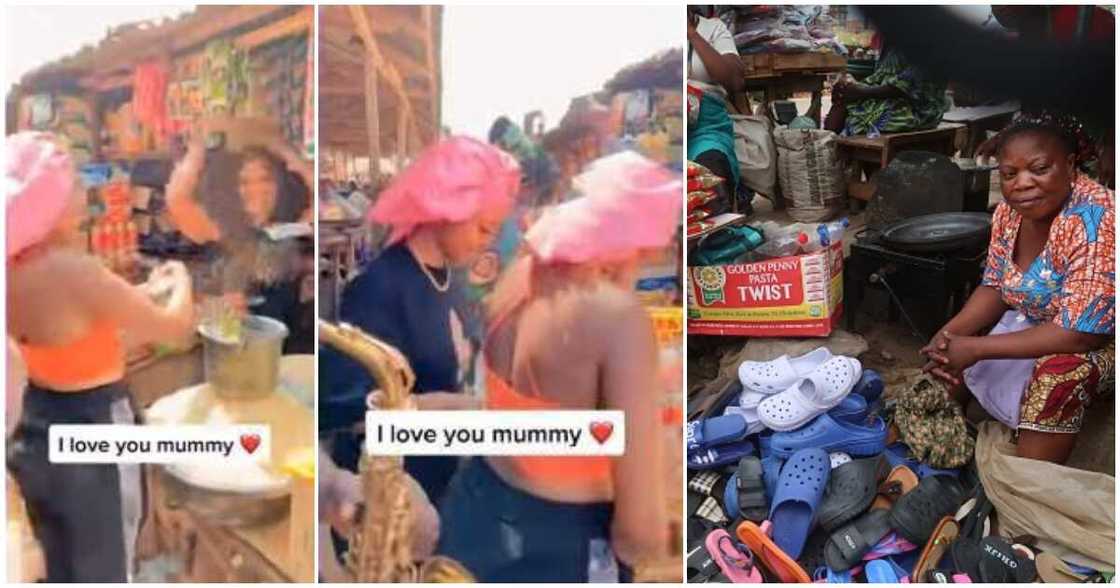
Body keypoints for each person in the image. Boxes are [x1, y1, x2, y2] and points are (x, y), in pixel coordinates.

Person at [436, 152, 678, 582]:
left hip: (475, 511)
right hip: (563, 544)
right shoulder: (619, 320)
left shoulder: (518, 278)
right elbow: (639, 533)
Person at [5, 132, 195, 581]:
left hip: (37, 421)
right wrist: (180, 277)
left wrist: (140, 295)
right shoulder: (73, 269)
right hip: (95, 429)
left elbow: (79, 334)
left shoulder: (14, 268)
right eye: (72, 185)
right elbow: (176, 328)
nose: (82, 194)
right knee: (107, 560)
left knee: (63, 559)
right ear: (50, 200)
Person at [318, 136, 521, 509]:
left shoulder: (450, 277)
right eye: (482, 229)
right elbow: (343, 411)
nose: (485, 243)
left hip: (441, 487)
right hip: (391, 507)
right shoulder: (379, 288)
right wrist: (441, 408)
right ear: (445, 210)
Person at [920, 115, 1114, 464]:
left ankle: (1028, 480)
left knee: (1059, 374)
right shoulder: (1010, 212)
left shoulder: (1097, 218)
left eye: (1039, 169)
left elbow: (1082, 334)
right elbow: (995, 285)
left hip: (1101, 337)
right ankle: (946, 446)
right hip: (1042, 320)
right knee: (959, 338)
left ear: (1069, 165)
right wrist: (949, 334)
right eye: (1010, 174)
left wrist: (978, 349)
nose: (1022, 183)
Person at [165, 117, 314, 352]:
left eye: (266, 179)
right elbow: (177, 199)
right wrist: (197, 150)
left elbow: (315, 193)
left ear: (279, 184)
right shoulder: (223, 230)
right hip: (238, 355)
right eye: (244, 182)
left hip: (290, 357)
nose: (257, 189)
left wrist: (281, 148)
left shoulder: (291, 230)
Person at [687, 6, 746, 214]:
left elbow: (734, 80)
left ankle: (713, 236)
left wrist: (692, 34)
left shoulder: (713, 28)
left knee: (710, 171)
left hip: (706, 128)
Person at [826, 39, 950, 137]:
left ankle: (833, 154)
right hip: (891, 97)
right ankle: (826, 153)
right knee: (843, 95)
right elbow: (880, 76)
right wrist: (852, 86)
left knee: (858, 115)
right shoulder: (892, 39)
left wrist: (861, 91)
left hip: (920, 108)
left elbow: (906, 85)